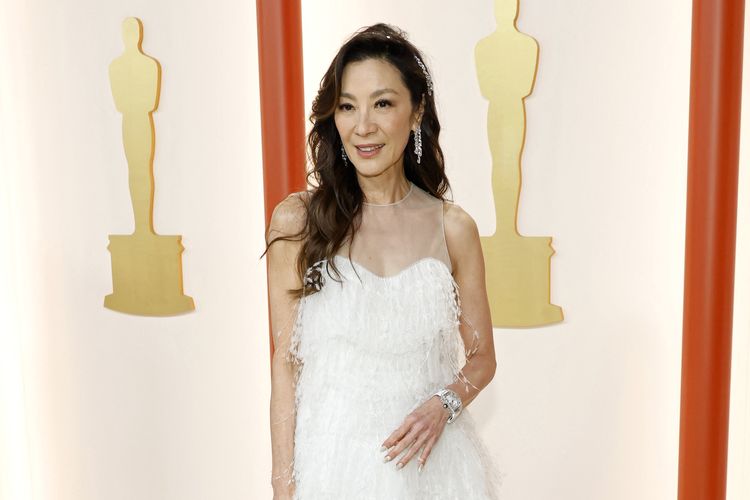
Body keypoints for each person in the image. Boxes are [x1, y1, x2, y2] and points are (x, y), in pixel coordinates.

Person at [263, 23, 504, 499]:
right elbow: (285, 367)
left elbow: (481, 359)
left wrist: (443, 406)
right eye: (347, 106)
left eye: (383, 103)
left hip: (432, 471)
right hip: (332, 470)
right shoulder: (298, 222)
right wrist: (282, 488)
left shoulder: (452, 228)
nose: (362, 126)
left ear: (415, 112)